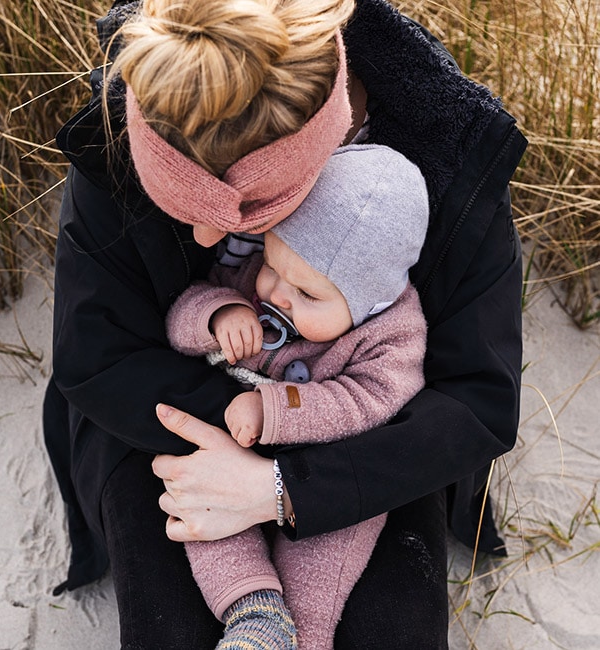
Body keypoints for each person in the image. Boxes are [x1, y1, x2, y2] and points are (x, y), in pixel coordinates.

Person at [42, 0, 527, 648]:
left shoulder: (449, 153)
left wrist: (285, 488)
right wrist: (243, 433)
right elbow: (98, 356)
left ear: (331, 143)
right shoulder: (132, 120)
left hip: (373, 438)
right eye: (176, 202)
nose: (207, 235)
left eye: (250, 213)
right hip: (162, 413)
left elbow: (475, 400)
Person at [165, 143, 429, 649]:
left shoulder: (391, 332)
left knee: (336, 539)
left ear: (371, 303)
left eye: (308, 294)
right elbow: (180, 321)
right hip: (231, 450)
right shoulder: (250, 283)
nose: (277, 294)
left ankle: (306, 636)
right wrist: (217, 313)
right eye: (273, 266)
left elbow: (371, 400)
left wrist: (275, 410)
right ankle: (254, 613)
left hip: (329, 468)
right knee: (198, 504)